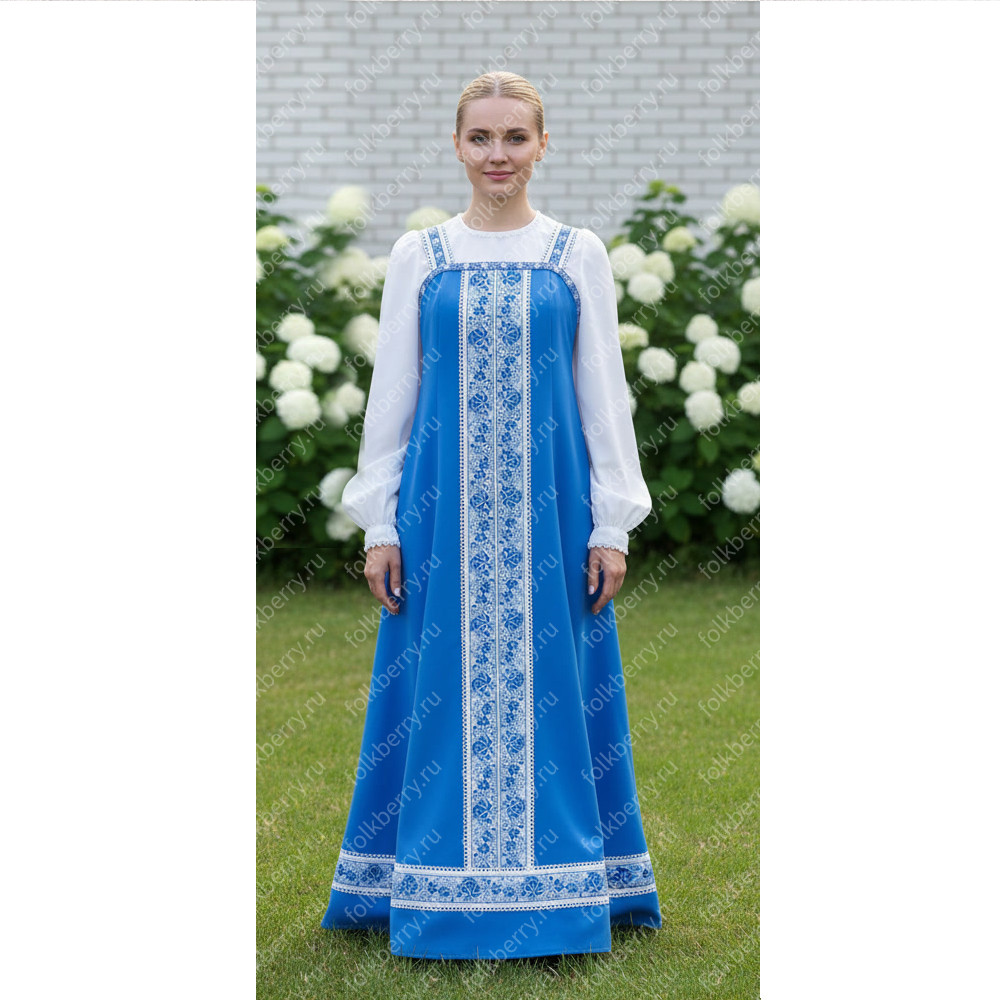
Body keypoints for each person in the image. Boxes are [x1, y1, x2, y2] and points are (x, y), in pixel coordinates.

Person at [320, 71, 662, 960]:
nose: (498, 155)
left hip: (554, 518)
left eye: (515, 137)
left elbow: (603, 397)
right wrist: (381, 521)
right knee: (429, 690)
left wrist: (611, 523)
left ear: (542, 145)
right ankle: (422, 884)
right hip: (439, 520)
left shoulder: (575, 254)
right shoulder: (421, 256)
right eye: (481, 137)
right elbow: (393, 394)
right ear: (457, 145)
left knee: (559, 688)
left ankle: (569, 887)